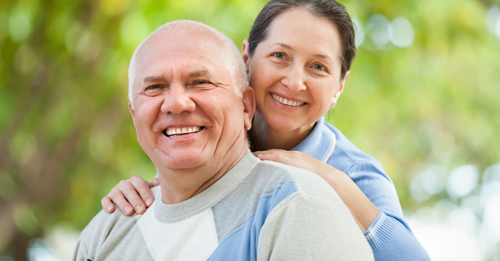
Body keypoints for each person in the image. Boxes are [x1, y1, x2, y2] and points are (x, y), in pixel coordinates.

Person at [101, 0, 430, 260]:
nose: (294, 81)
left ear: (339, 87)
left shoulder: (354, 172)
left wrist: (333, 181)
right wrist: (140, 194)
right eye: (279, 56)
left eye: (317, 67)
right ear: (245, 59)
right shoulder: (207, 132)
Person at [73, 20, 373, 260]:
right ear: (134, 113)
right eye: (155, 87)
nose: (176, 103)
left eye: (200, 82)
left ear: (245, 107)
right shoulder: (107, 230)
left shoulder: (297, 209)